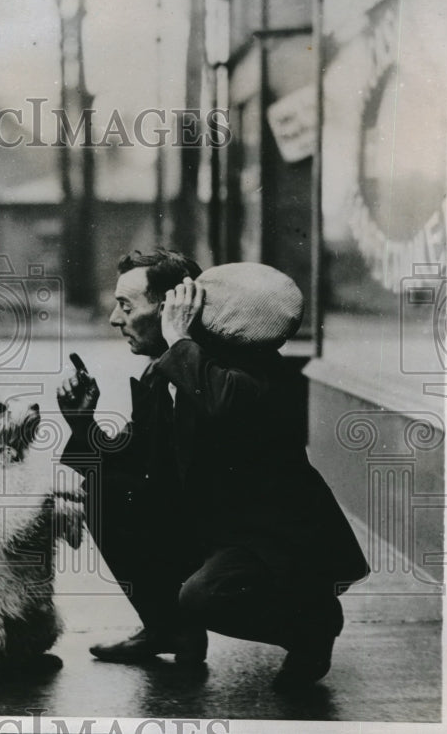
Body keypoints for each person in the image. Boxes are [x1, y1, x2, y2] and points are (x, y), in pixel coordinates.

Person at [57, 248, 370, 689]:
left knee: (204, 596)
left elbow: (225, 404)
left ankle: (311, 626)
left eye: (126, 305)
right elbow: (137, 463)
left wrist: (178, 339)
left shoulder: (249, 361)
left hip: (270, 547)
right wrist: (82, 424)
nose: (114, 318)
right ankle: (171, 631)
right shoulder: (164, 369)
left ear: (173, 310)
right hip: (212, 532)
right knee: (104, 488)